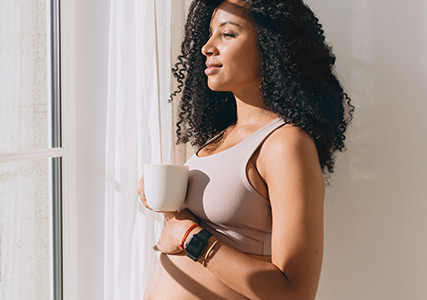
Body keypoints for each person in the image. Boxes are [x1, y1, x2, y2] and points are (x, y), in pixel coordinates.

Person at [137, 0, 354, 298]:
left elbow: (296, 292)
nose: (207, 47)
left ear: (271, 45)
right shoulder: (219, 139)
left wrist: (190, 237)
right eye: (210, 33)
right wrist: (169, 210)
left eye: (227, 34)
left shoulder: (285, 144)